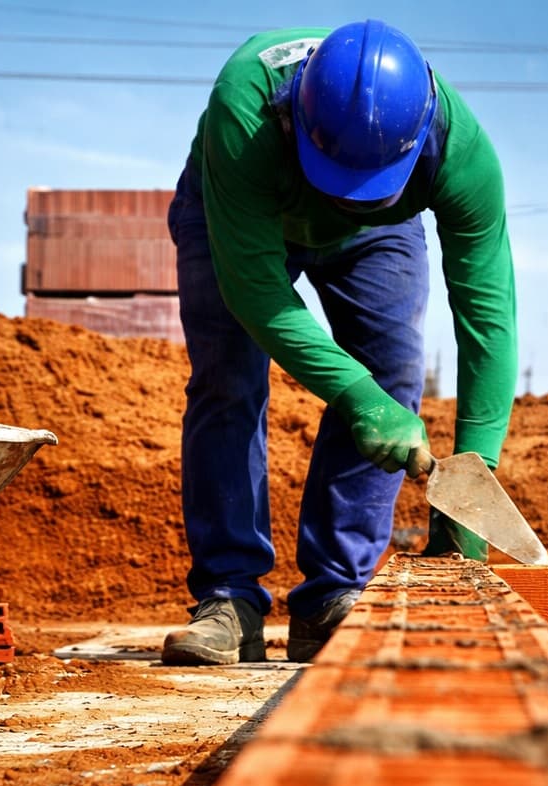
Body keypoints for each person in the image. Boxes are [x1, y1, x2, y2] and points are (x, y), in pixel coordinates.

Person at [161, 20, 517, 666]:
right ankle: (229, 597)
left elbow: (488, 317)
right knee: (228, 381)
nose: (342, 200)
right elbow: (256, 297)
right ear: (296, 115)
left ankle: (331, 597)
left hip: (381, 233)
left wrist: (475, 471)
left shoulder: (460, 152)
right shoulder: (245, 109)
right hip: (246, 204)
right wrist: (356, 396)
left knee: (393, 370)